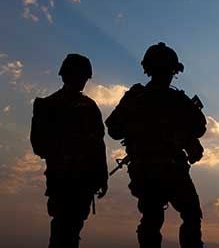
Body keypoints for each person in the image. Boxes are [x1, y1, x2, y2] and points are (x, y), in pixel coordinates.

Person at [106, 42, 206, 248]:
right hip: (171, 170)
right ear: (172, 71)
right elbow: (200, 128)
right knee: (191, 215)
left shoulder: (135, 97)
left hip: (145, 171)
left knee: (152, 220)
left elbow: (114, 129)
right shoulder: (177, 99)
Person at [30, 53, 108, 248]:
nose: (81, 82)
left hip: (83, 180)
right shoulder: (47, 105)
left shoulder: (90, 107)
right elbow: (38, 145)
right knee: (62, 230)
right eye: (79, 76)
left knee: (72, 229)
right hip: (62, 179)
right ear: (67, 75)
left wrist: (102, 177)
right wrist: (64, 151)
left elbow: (99, 145)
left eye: (84, 78)